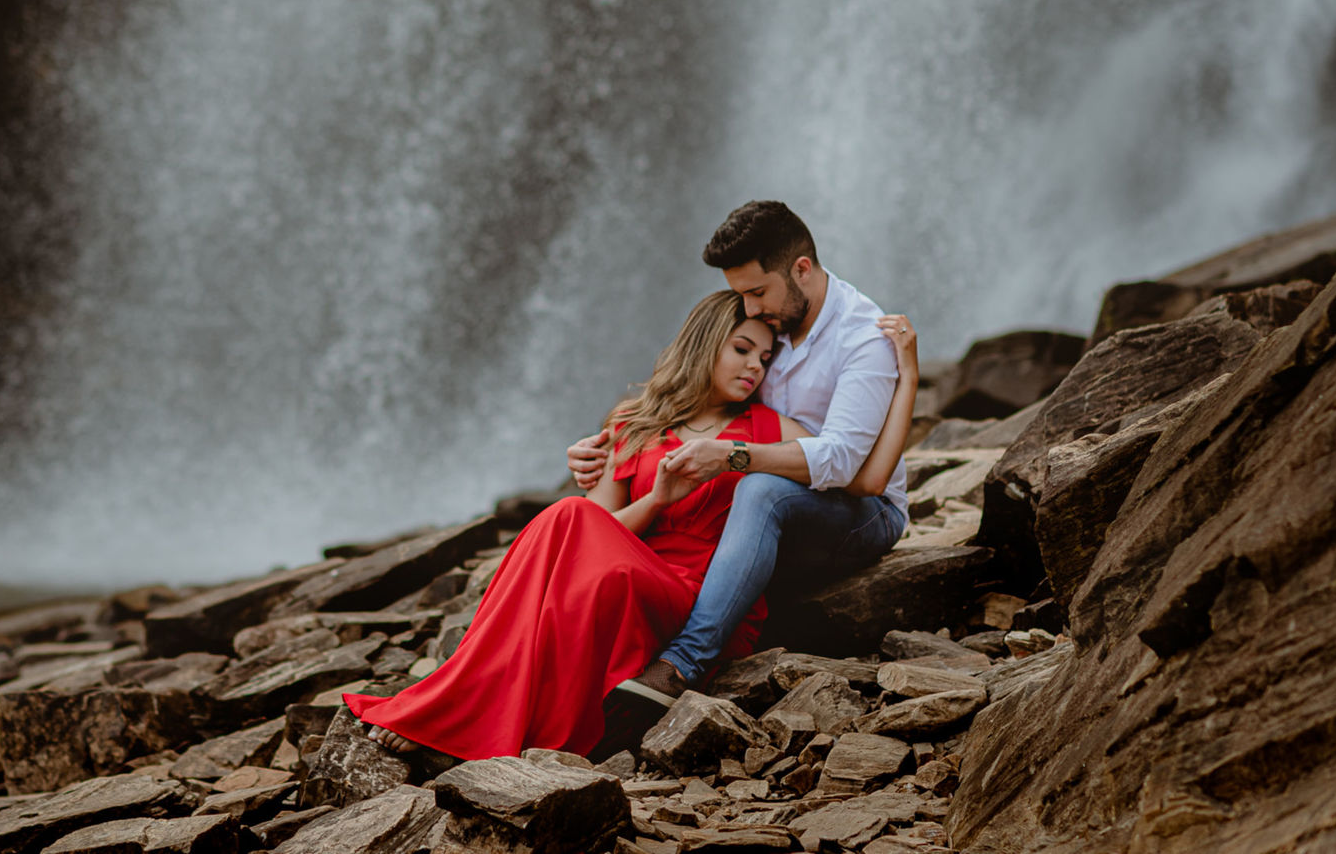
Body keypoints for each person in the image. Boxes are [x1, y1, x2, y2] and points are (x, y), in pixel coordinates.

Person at [345, 287, 919, 762]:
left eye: (765, 359)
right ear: (703, 345)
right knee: (572, 522)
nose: (754, 367)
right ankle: (470, 706)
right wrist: (658, 500)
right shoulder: (632, 424)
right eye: (742, 349)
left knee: (580, 546)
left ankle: (470, 717)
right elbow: (593, 530)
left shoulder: (769, 430)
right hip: (630, 566)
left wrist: (905, 380)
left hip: (698, 594)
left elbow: (860, 471)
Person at [574, 200, 912, 722]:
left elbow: (849, 469)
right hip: (775, 505)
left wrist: (732, 457)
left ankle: (685, 662)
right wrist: (607, 448)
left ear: (801, 269)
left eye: (757, 292)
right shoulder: (769, 325)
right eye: (741, 296)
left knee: (758, 488)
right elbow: (697, 397)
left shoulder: (863, 339)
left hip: (859, 512)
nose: (750, 309)